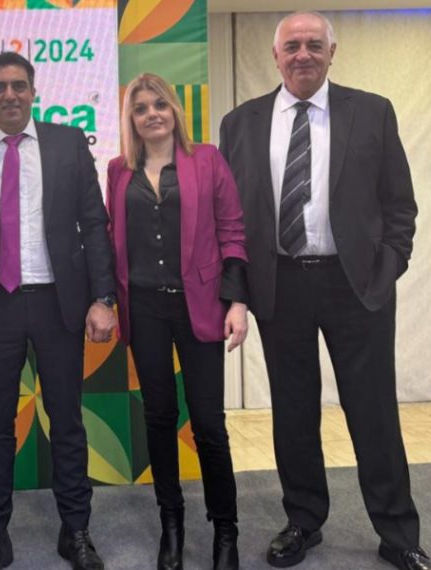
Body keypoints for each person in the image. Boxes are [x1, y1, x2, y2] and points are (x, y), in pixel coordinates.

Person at [218, 11, 430, 570]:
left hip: (355, 284)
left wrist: (388, 266)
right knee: (292, 412)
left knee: (373, 411)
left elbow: (399, 204)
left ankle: (398, 532)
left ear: (332, 52)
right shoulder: (239, 124)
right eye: (292, 46)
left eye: (315, 44)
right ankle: (303, 521)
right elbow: (231, 218)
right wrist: (237, 292)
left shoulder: (373, 112)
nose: (303, 54)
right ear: (276, 55)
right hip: (279, 284)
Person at [0, 52, 117, 570]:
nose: (10, 95)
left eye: (19, 85)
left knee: (67, 422)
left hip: (60, 305)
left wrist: (104, 298)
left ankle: (76, 531)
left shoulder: (68, 142)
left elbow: (94, 223)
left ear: (34, 92)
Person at [106, 73, 248, 570]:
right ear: (131, 119)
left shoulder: (206, 159)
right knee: (159, 417)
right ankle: (172, 524)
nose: (152, 114)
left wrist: (237, 302)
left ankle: (225, 530)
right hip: (144, 309)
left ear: (174, 110)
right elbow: (112, 237)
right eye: (141, 108)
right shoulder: (117, 171)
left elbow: (232, 230)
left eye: (159, 104)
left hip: (200, 305)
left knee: (208, 424)